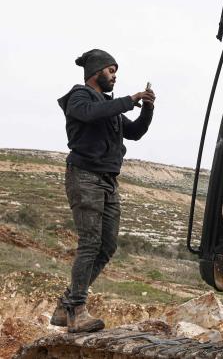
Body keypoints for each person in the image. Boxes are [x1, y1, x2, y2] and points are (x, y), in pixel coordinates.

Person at [52, 49, 156, 333]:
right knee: (89, 243)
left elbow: (134, 132)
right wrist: (129, 100)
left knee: (107, 246)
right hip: (84, 177)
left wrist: (146, 107)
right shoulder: (80, 96)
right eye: (111, 71)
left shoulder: (110, 107)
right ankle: (76, 310)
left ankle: (65, 305)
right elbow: (88, 113)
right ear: (96, 72)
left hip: (108, 181)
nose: (115, 76)